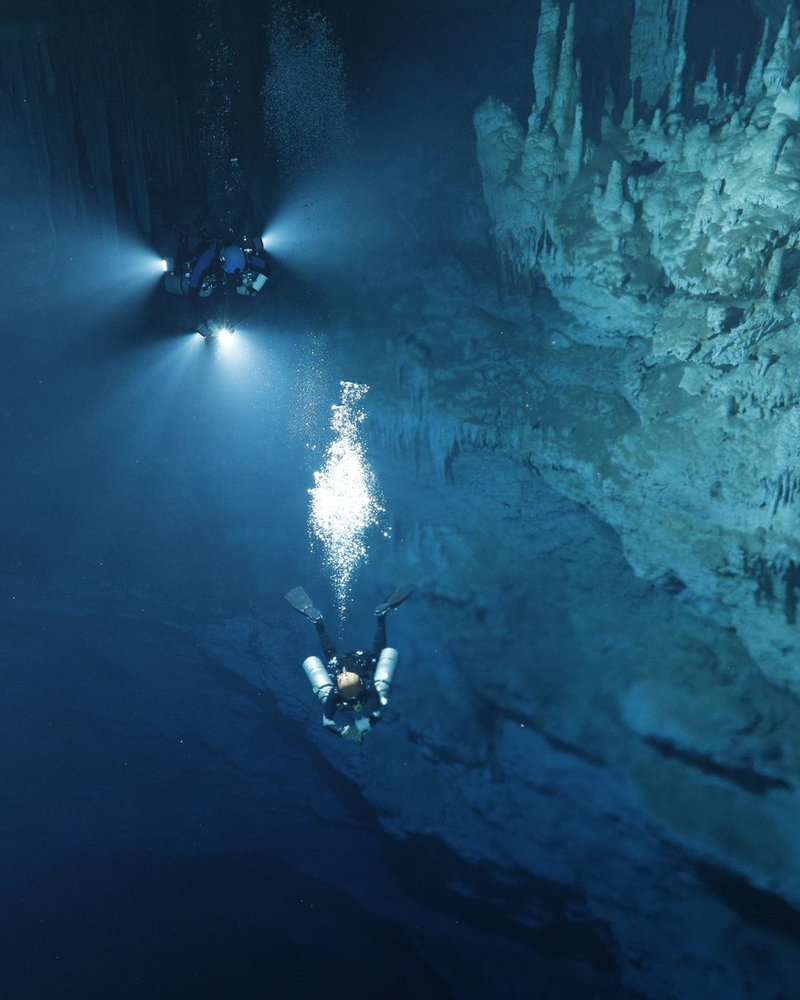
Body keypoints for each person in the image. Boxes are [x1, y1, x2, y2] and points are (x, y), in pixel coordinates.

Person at [285, 585, 413, 743]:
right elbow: (375, 714)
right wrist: (357, 730)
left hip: (349, 663)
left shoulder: (336, 695)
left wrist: (347, 732)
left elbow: (327, 722)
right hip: (356, 661)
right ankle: (380, 617)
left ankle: (318, 622)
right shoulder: (367, 687)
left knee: (334, 659)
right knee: (370, 658)